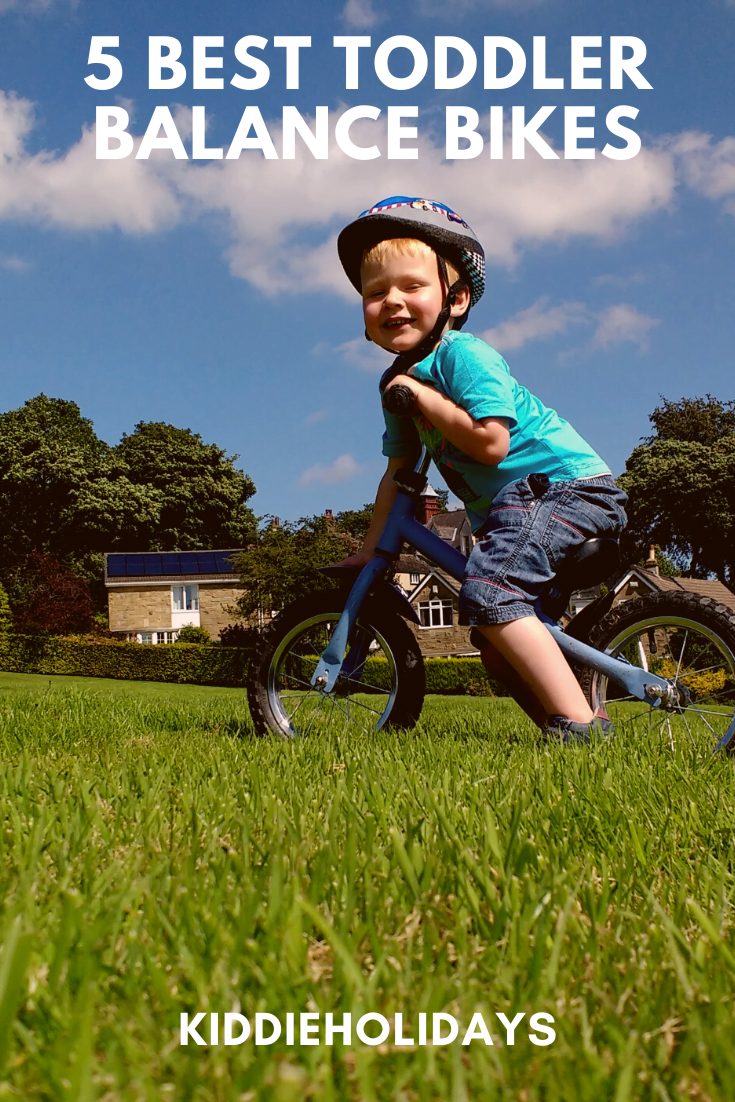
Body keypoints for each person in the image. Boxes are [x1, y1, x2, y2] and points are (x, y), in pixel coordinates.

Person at [335, 195, 628, 743]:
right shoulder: (399, 385)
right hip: (517, 508)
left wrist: (422, 399)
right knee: (495, 645)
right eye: (375, 293)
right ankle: (562, 728)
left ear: (458, 298)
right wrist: (372, 548)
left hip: (566, 490)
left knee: (490, 592)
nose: (392, 301)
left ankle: (581, 730)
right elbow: (400, 474)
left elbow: (492, 444)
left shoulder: (463, 356)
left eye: (412, 286)